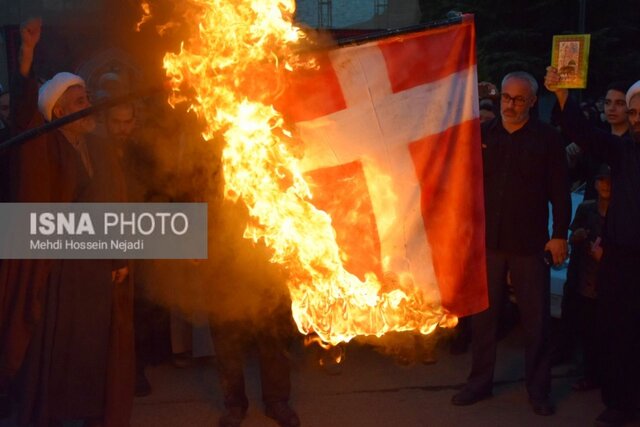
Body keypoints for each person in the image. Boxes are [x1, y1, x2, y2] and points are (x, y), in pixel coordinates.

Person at [0, 18, 133, 427]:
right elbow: (25, 112)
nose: (87, 105)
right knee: (57, 349)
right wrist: (25, 54)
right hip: (57, 271)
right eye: (78, 101)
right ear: (56, 111)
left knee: (94, 347)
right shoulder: (42, 146)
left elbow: (115, 204)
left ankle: (89, 412)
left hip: (94, 269)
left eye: (87, 97)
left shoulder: (99, 146)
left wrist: (118, 257)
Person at [451, 71, 571, 416]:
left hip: (529, 245)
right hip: (488, 242)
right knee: (484, 318)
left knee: (536, 321)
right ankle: (479, 382)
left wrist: (559, 235)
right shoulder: (484, 134)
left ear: (533, 101)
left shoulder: (548, 139)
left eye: (519, 99)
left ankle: (538, 390)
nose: (511, 105)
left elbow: (560, 192)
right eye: (506, 97)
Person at [545, 67, 640, 427]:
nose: (636, 119)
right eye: (633, 112)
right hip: (620, 258)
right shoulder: (623, 150)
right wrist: (564, 96)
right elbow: (584, 134)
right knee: (618, 332)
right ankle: (620, 402)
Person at [563, 164, 611, 392]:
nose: (605, 185)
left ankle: (609, 378)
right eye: (601, 180)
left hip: (613, 284)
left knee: (610, 334)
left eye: (609, 180)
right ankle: (589, 375)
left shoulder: (624, 211)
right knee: (588, 333)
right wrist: (578, 237)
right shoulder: (587, 208)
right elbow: (572, 236)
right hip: (586, 281)